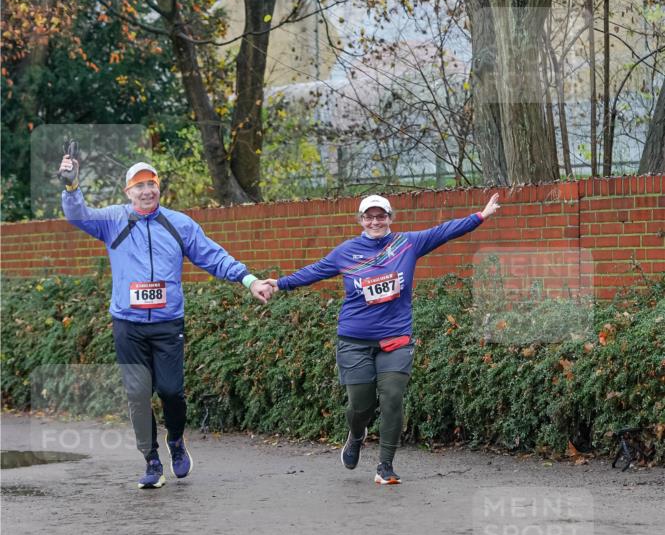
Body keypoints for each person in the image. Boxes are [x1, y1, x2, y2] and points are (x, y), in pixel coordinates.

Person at [58, 151, 274, 489]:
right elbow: (78, 214)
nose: (147, 191)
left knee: (171, 391)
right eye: (139, 186)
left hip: (167, 323)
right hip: (128, 324)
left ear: (159, 188)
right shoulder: (113, 220)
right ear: (128, 192)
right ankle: (151, 460)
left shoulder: (179, 224)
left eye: (151, 184)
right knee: (137, 394)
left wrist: (249, 280)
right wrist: (71, 187)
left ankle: (175, 439)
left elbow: (212, 256)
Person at [267, 192, 500, 485]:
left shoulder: (407, 244)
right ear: (361, 220)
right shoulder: (346, 252)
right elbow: (315, 271)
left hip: (395, 338)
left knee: (392, 398)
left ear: (390, 218)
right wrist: (280, 284)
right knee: (360, 405)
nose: (375, 222)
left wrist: (480, 216)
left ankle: (385, 466)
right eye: (369, 217)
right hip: (354, 341)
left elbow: (443, 232)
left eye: (381, 216)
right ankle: (356, 435)